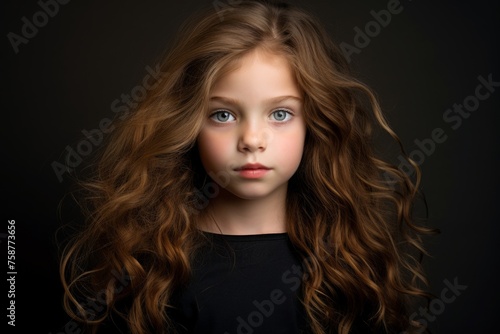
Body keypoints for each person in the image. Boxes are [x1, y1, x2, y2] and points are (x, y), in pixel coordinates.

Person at [59, 0, 438, 333]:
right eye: (223, 114)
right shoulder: (149, 269)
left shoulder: (350, 265)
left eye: (280, 113)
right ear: (189, 123)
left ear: (316, 123)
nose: (252, 139)